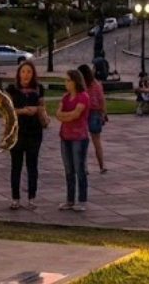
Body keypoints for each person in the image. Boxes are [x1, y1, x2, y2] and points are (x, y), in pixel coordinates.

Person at [5, 61, 46, 210]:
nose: (26, 74)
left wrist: (39, 112)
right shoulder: (11, 89)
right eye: (23, 71)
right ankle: (15, 198)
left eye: (29, 71)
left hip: (34, 131)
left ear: (33, 73)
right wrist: (23, 111)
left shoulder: (38, 89)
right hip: (17, 131)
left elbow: (42, 107)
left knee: (32, 165)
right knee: (16, 166)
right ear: (19, 73)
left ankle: (32, 198)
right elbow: (7, 110)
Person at [55, 69, 90, 212]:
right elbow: (58, 115)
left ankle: (82, 200)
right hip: (65, 136)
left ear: (75, 82)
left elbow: (76, 115)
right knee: (68, 169)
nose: (66, 83)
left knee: (79, 169)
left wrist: (65, 115)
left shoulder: (83, 97)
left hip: (79, 137)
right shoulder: (65, 97)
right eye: (65, 80)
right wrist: (65, 115)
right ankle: (70, 200)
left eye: (68, 80)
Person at [77, 64, 109, 173]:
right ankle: (101, 166)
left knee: (83, 141)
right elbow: (102, 100)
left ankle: (84, 167)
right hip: (95, 112)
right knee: (97, 141)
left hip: (83, 112)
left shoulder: (81, 86)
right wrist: (104, 113)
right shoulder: (97, 84)